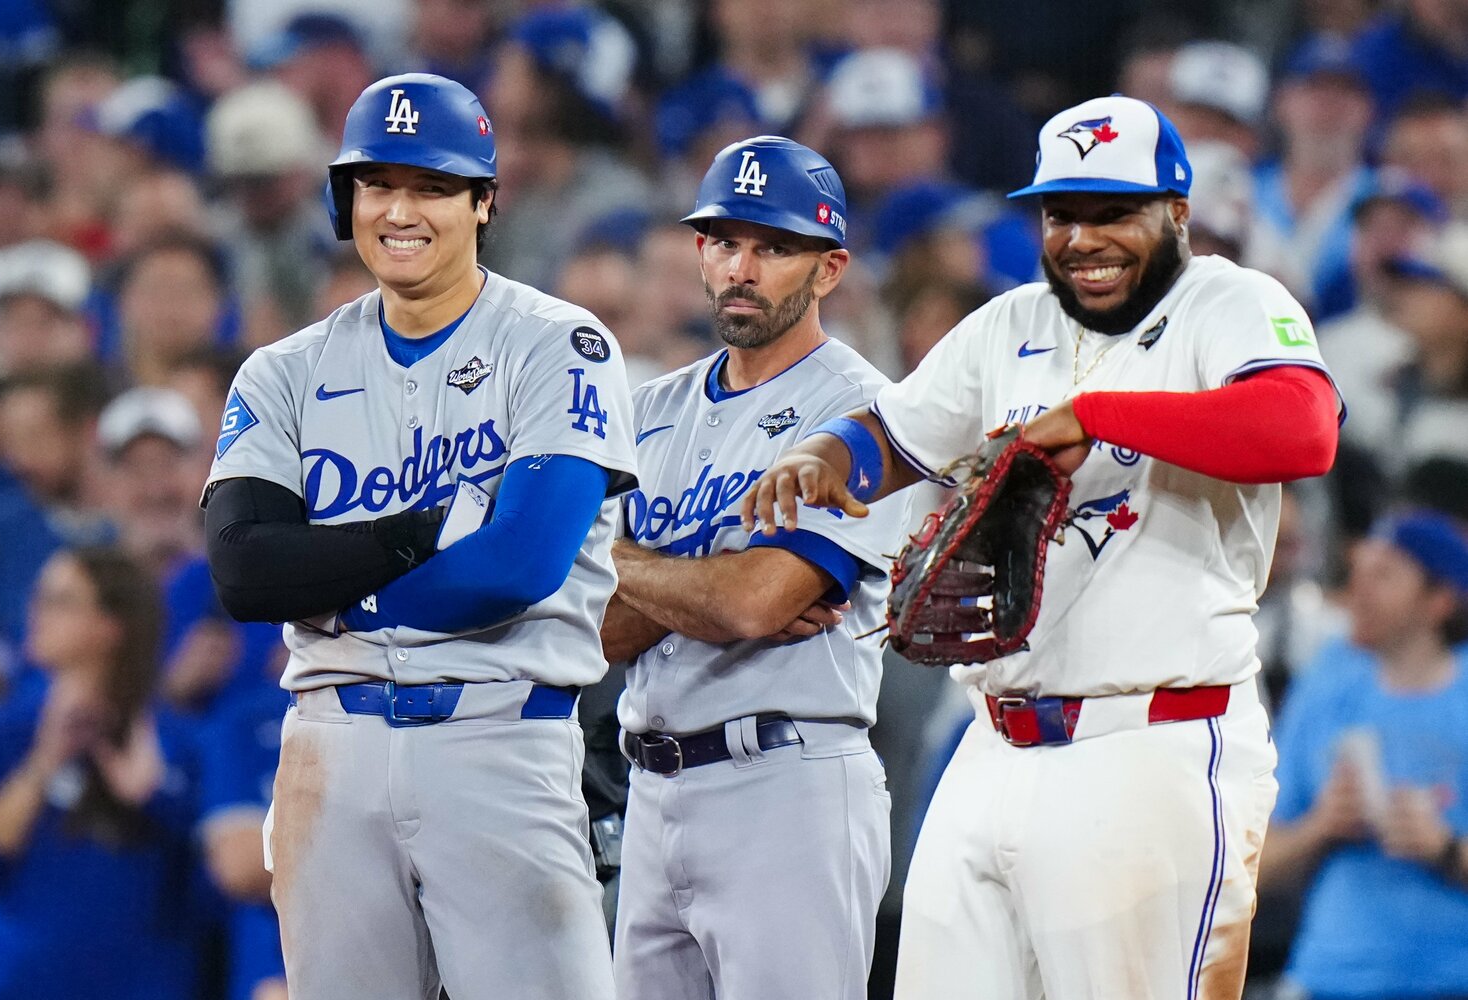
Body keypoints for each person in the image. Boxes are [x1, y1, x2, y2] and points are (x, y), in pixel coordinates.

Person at [743, 94, 1343, 999]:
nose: (1083, 239)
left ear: (1176, 214)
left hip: (1152, 742)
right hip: (993, 745)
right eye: (1062, 214)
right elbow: (895, 435)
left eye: (1114, 214)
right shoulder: (1010, 323)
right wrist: (827, 454)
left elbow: (1303, 430)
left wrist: (1099, 417)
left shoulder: (1232, 302)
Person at [201, 73, 637, 999]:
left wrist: (333, 585)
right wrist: (424, 530)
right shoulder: (283, 370)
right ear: (345, 200)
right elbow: (244, 572)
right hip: (332, 752)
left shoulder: (559, 343)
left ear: (483, 203)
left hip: (500, 742)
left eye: (432, 187)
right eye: (377, 185)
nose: (400, 210)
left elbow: (516, 566)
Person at [602, 136, 910, 1000]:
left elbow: (754, 599)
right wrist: (693, 576)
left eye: (774, 246)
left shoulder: (861, 412)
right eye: (725, 241)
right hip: (652, 791)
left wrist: (629, 565)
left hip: (787, 784)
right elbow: (595, 628)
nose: (742, 267)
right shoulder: (650, 408)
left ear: (829, 268)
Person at [0, 546, 205, 1000]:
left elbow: (209, 890)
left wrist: (156, 797)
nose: (35, 612)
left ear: (110, 626)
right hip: (16, 985)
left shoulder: (178, 742)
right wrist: (42, 765)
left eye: (58, 600)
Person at [1261, 512, 1468, 1000]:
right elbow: (1254, 868)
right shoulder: (1330, 681)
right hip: (1327, 977)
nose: (1359, 588)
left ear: (1439, 601)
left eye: (1385, 574)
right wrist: (1322, 826)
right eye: (1359, 570)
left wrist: (1444, 849)